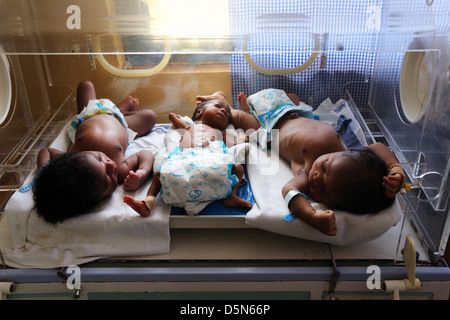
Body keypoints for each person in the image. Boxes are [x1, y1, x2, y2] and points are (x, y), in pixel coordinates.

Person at [196, 89, 405, 236]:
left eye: (321, 189)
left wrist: (312, 216)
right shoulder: (348, 152)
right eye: (325, 168)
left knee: (237, 118)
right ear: (347, 153)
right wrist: (395, 168)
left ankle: (217, 100)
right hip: (295, 111)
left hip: (270, 127)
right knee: (291, 97)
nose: (316, 177)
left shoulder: (305, 172)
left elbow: (290, 191)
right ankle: (224, 101)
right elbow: (378, 147)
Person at [33, 81, 157, 224]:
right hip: (120, 123)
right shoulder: (121, 172)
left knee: (85, 86)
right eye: (107, 180)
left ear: (76, 155)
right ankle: (121, 111)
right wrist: (142, 172)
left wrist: (43, 170)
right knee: (150, 116)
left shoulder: (69, 159)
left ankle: (120, 108)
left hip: (87, 116)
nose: (110, 166)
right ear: (99, 199)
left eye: (99, 159)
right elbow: (145, 154)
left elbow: (46, 151)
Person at [123, 98, 253, 217]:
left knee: (237, 168)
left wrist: (242, 136)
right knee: (159, 174)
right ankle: (148, 203)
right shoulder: (189, 127)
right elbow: (172, 117)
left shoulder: (221, 133)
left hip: (211, 159)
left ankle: (231, 196)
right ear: (199, 112)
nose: (224, 110)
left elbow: (236, 145)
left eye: (228, 114)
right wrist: (175, 117)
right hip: (184, 159)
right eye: (218, 106)